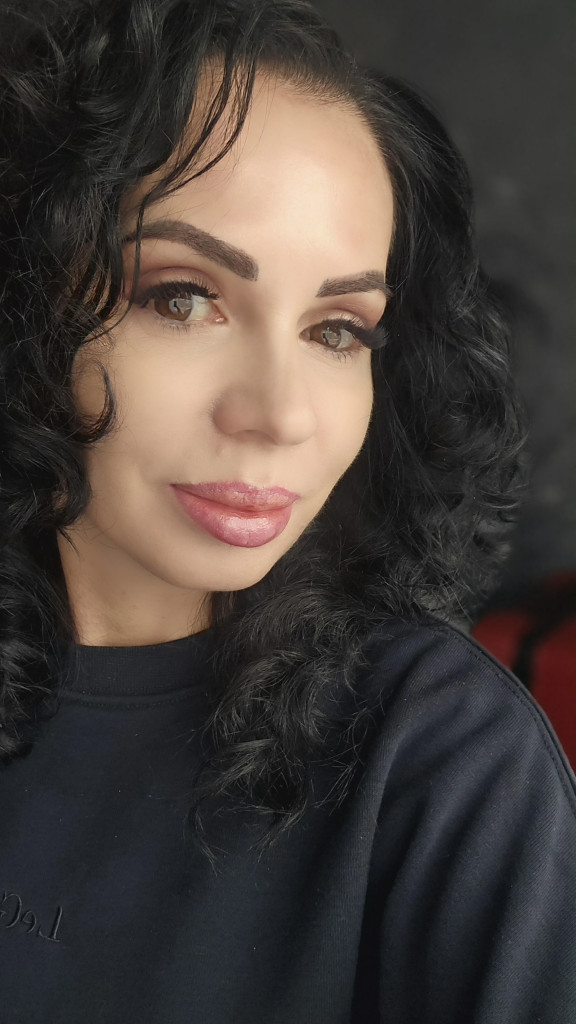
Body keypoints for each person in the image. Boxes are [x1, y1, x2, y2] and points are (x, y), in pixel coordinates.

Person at [0, 0, 574, 1021]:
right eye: (182, 297)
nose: (280, 415)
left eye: (338, 330)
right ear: (25, 298)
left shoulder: (439, 756)